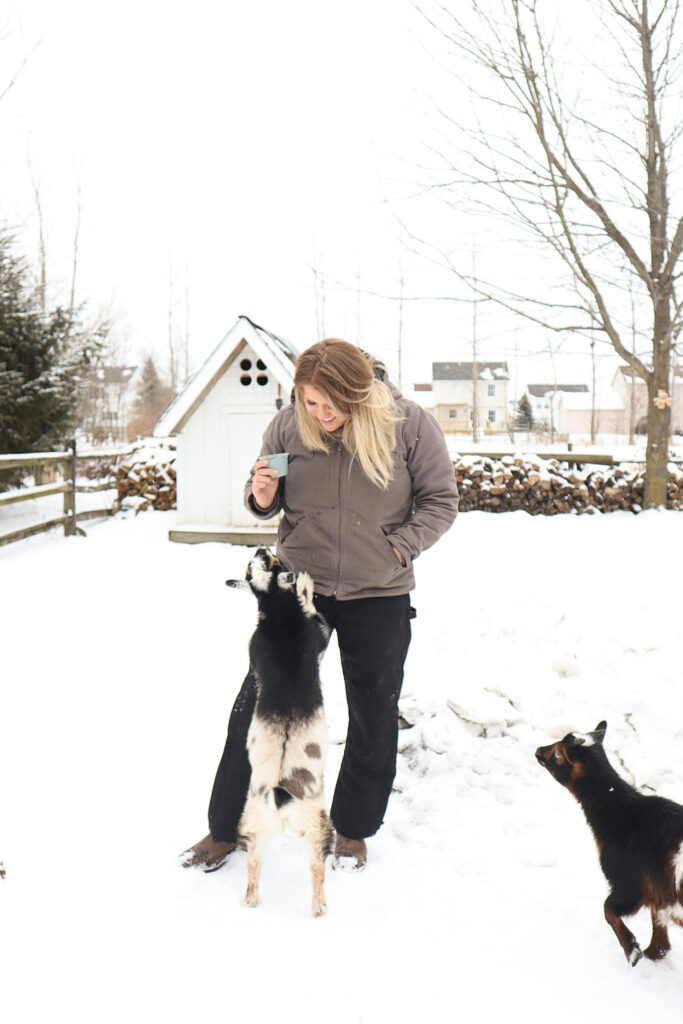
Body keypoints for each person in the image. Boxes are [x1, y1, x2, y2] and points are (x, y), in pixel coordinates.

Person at [182, 338, 459, 871]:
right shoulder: (289, 425)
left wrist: (396, 548)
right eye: (310, 402)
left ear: (358, 389)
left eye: (330, 403)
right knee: (257, 706)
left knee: (373, 712)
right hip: (299, 584)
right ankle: (225, 828)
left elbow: (441, 502)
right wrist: (262, 495)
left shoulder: (411, 424)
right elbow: (263, 496)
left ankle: (353, 830)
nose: (320, 414)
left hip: (379, 590)